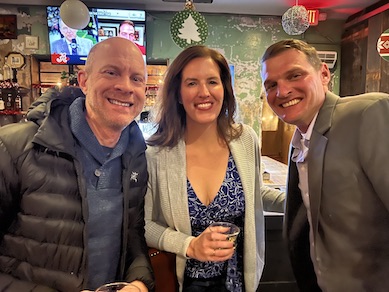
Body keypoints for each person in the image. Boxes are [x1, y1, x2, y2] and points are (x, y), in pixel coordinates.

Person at [0, 37, 153, 292]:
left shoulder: (136, 155)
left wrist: (138, 283)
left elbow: (132, 233)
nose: (126, 87)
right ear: (84, 81)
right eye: (111, 72)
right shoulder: (14, 148)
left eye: (136, 79)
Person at [144, 45, 285, 291]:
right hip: (181, 283)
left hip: (236, 281)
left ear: (224, 88)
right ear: (177, 93)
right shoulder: (155, 153)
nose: (204, 92)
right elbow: (144, 225)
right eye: (191, 83)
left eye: (212, 81)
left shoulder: (244, 139)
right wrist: (188, 245)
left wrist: (300, 200)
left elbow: (253, 191)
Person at [260, 38, 389, 292]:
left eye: (295, 75)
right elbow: (310, 210)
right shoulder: (300, 141)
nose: (282, 91)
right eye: (271, 84)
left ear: (324, 74)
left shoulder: (367, 113)